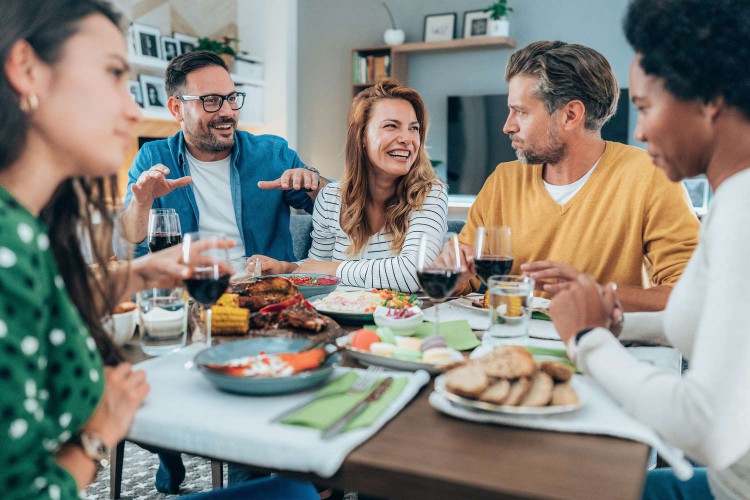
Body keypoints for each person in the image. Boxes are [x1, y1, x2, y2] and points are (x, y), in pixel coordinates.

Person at [0, 1, 319, 499]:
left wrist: (314, 184)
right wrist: (98, 435)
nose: (131, 109)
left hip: (259, 296)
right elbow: (127, 235)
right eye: (112, 74)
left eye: (231, 98)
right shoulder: (19, 238)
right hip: (193, 301)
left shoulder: (33, 226)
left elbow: (332, 206)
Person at [549, 0, 750, 498]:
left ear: (708, 100)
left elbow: (705, 425)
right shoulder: (733, 198)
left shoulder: (743, 212)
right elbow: (710, 318)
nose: (636, 133)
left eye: (643, 107)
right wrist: (618, 322)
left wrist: (589, 341)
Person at [451, 41, 700, 311]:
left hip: (601, 343)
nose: (507, 126)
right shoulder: (504, 180)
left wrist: (598, 294)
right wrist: (453, 273)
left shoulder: (650, 177)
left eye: (521, 112)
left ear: (570, 115)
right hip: (509, 339)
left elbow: (691, 296)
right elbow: (468, 277)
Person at [120, 50, 326, 264]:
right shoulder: (153, 157)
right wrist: (141, 204)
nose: (228, 111)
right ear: (176, 108)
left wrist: (315, 184)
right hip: (187, 287)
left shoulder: (273, 154)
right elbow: (128, 241)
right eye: (211, 100)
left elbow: (344, 214)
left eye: (231, 98)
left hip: (263, 288)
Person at [252, 78, 448, 293]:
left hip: (398, 321)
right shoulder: (330, 198)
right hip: (340, 318)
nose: (407, 138)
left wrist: (332, 269)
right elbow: (318, 272)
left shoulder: (430, 194)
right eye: (391, 126)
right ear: (361, 136)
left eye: (414, 129)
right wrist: (288, 268)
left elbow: (416, 274)